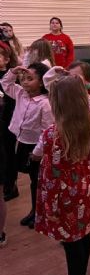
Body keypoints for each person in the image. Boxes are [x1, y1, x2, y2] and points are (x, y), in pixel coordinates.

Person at [34, 75, 90, 275]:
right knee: (82, 234)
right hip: (84, 187)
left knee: (71, 241)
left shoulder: (53, 135)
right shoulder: (88, 118)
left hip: (65, 196)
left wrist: (50, 209)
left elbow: (53, 178)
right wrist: (83, 83)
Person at [0, 63, 53, 228]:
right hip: (23, 142)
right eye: (23, 78)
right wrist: (13, 71)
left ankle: (39, 213)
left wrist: (38, 151)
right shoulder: (21, 93)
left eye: (30, 79)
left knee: (37, 180)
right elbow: (5, 83)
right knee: (32, 179)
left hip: (36, 147)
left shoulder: (45, 103)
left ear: (42, 82)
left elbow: (47, 131)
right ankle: (35, 211)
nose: (24, 82)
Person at [0, 42, 18, 202]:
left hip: (8, 119)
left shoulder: (11, 77)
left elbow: (14, 99)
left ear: (6, 59)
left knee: (8, 152)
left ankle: (11, 185)